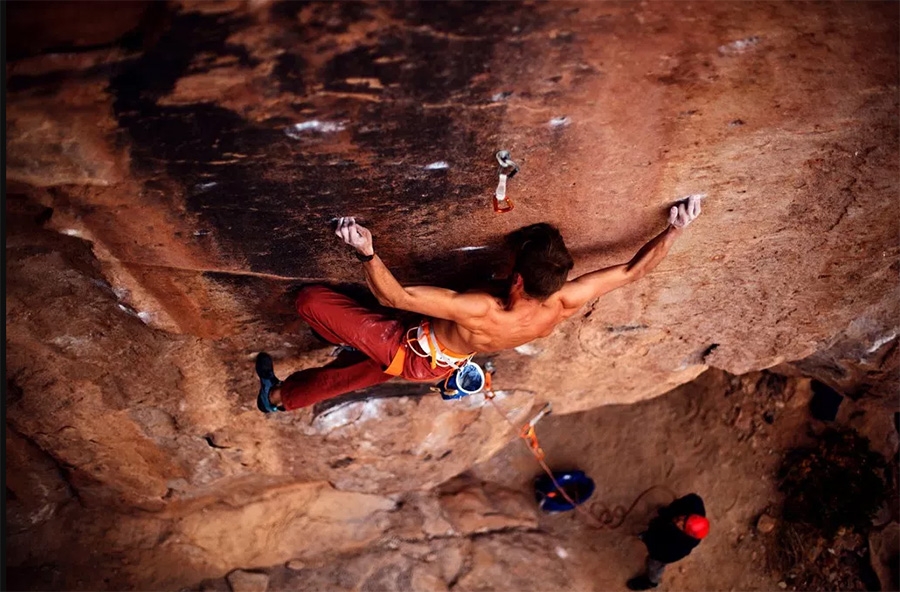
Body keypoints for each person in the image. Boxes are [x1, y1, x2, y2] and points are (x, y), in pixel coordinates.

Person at [255, 195, 703, 413]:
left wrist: (367, 251)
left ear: (518, 277)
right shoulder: (564, 301)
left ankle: (278, 397)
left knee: (312, 301)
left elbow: (395, 295)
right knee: (351, 373)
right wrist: (675, 230)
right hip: (441, 354)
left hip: (407, 349)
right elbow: (631, 271)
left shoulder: (481, 309)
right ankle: (291, 390)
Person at [626, 493, 709, 590]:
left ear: (686, 533)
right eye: (685, 519)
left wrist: (647, 537)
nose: (679, 522)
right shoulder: (694, 503)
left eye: (683, 526)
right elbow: (682, 503)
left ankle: (651, 582)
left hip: (660, 552)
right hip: (664, 530)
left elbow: (656, 552)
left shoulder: (676, 548)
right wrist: (667, 513)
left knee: (654, 565)